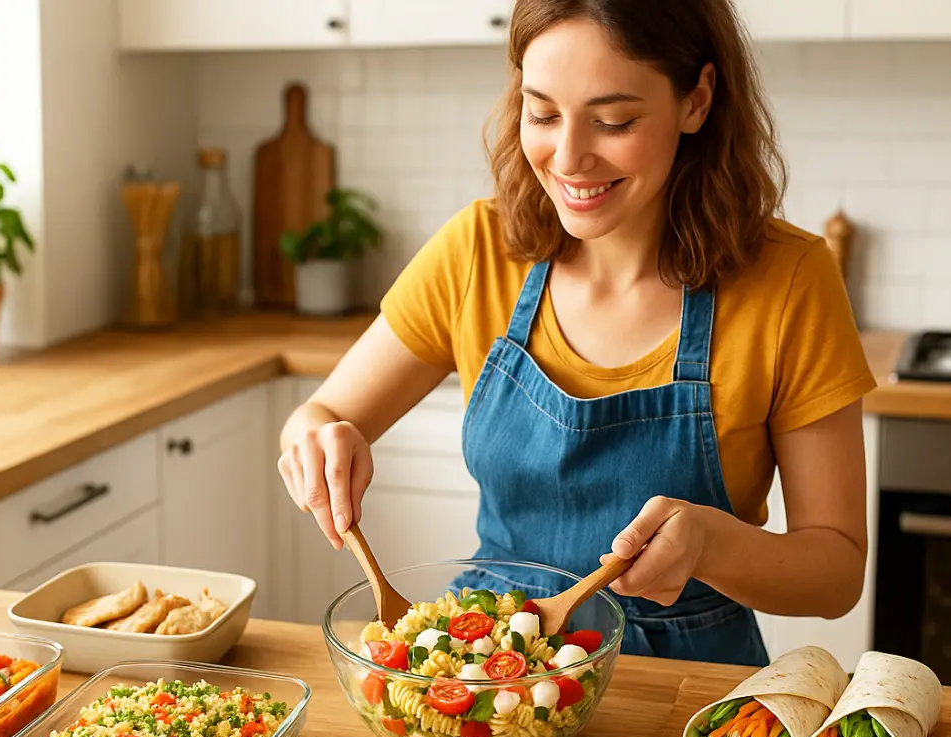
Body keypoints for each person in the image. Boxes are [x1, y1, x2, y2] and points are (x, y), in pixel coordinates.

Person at [277, 0, 876, 664]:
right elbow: (319, 417)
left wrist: (712, 544)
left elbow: (837, 572)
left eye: (613, 121)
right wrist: (317, 441)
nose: (568, 158)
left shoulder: (790, 279)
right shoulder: (477, 250)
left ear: (697, 100)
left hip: (687, 687)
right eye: (541, 113)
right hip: (488, 667)